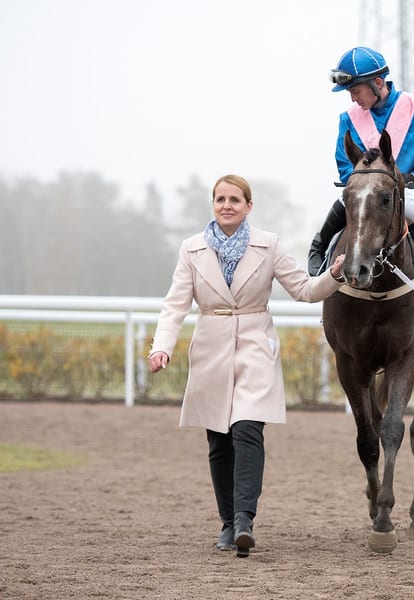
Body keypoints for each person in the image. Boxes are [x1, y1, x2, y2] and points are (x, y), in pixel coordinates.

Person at [148, 174, 345, 558]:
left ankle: (244, 521)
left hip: (256, 343)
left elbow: (304, 289)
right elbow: (175, 305)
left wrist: (333, 275)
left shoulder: (268, 245)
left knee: (247, 429)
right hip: (210, 347)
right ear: (213, 205)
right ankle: (226, 523)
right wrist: (162, 348)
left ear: (248, 206)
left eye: (234, 199)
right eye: (220, 199)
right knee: (219, 440)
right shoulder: (191, 250)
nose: (226, 205)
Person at [307, 46, 414, 301]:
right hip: (363, 192)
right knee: (345, 204)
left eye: (355, 91)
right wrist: (358, 181)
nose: (353, 99)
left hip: (402, 193)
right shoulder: (348, 118)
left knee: (413, 204)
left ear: (377, 83)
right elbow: (344, 162)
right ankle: (319, 251)